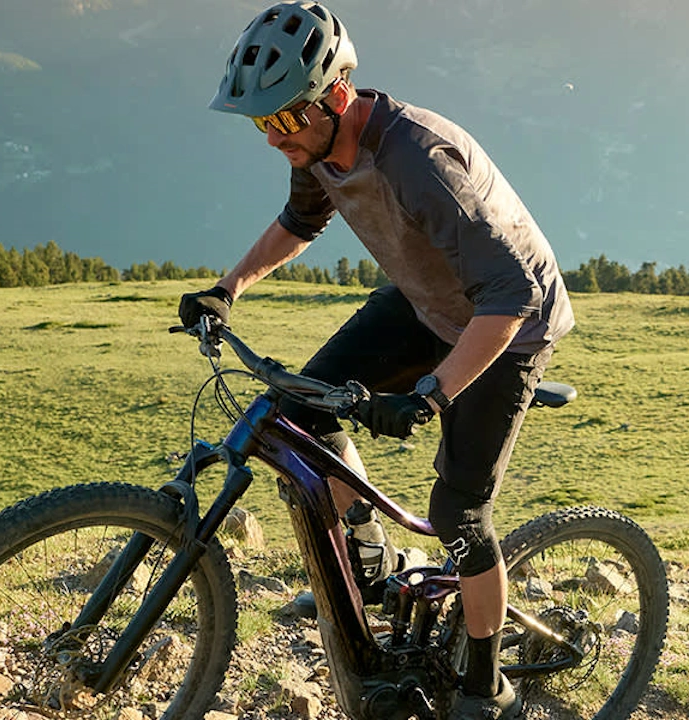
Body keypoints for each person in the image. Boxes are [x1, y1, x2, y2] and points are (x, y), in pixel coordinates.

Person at [178, 2, 575, 717]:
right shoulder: (319, 146)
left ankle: (485, 683)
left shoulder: (417, 162)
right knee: (301, 410)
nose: (272, 139)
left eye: (283, 121)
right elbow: (301, 219)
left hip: (505, 325)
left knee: (457, 511)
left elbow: (511, 293)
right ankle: (368, 560)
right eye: (261, 125)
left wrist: (430, 395)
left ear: (334, 97)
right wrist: (225, 288)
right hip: (429, 300)